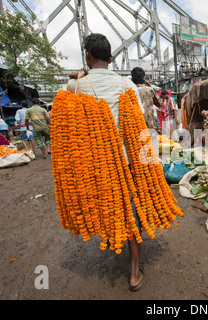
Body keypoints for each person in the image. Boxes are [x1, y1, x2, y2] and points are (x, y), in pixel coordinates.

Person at [67, 33, 145, 291]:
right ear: (111, 58)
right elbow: (139, 124)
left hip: (92, 166)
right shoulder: (127, 86)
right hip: (125, 162)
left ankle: (113, 241)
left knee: (104, 207)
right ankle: (134, 272)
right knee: (131, 213)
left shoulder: (73, 86)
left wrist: (75, 77)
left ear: (87, 54)